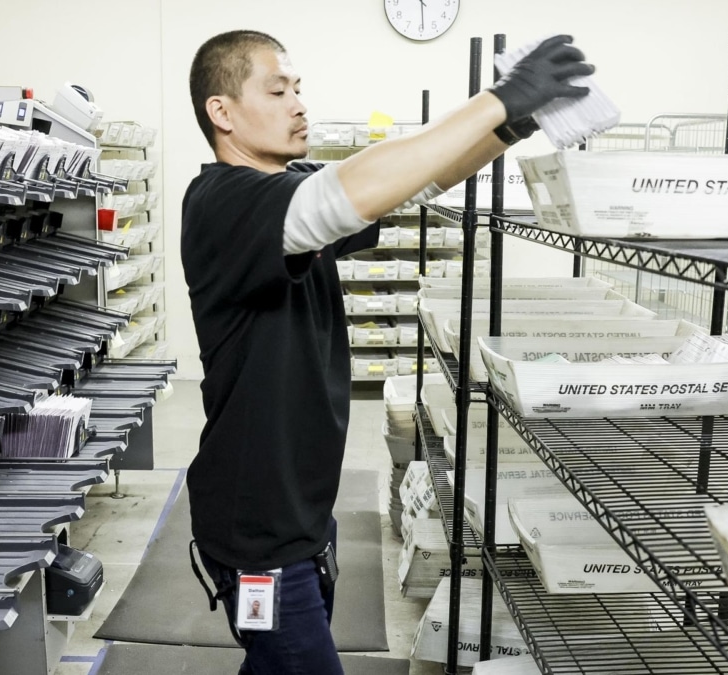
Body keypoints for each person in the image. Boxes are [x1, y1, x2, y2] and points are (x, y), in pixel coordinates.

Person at [182, 30, 593, 675]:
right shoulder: (223, 203)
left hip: (302, 512)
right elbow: (344, 193)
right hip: (259, 529)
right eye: (277, 89)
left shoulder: (288, 188)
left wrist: (509, 126)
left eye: (298, 89)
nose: (298, 105)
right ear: (222, 112)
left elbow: (413, 181)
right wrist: (497, 98)